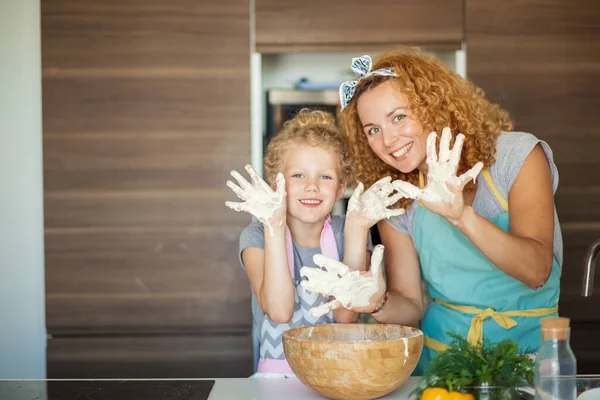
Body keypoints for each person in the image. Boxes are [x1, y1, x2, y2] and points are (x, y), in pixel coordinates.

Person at [337, 48, 563, 373]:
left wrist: (460, 216)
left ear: (433, 106)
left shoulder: (517, 157)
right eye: (372, 129)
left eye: (398, 116)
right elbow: (411, 305)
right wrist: (379, 302)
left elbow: (537, 271)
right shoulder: (397, 196)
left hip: (528, 359)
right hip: (443, 364)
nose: (387, 140)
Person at [225, 109, 402, 376]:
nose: (312, 186)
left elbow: (347, 317)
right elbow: (279, 311)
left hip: (340, 374)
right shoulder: (258, 236)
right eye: (298, 176)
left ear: (341, 188)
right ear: (276, 184)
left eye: (325, 177)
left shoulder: (347, 232)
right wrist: (274, 225)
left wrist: (356, 229)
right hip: (278, 378)